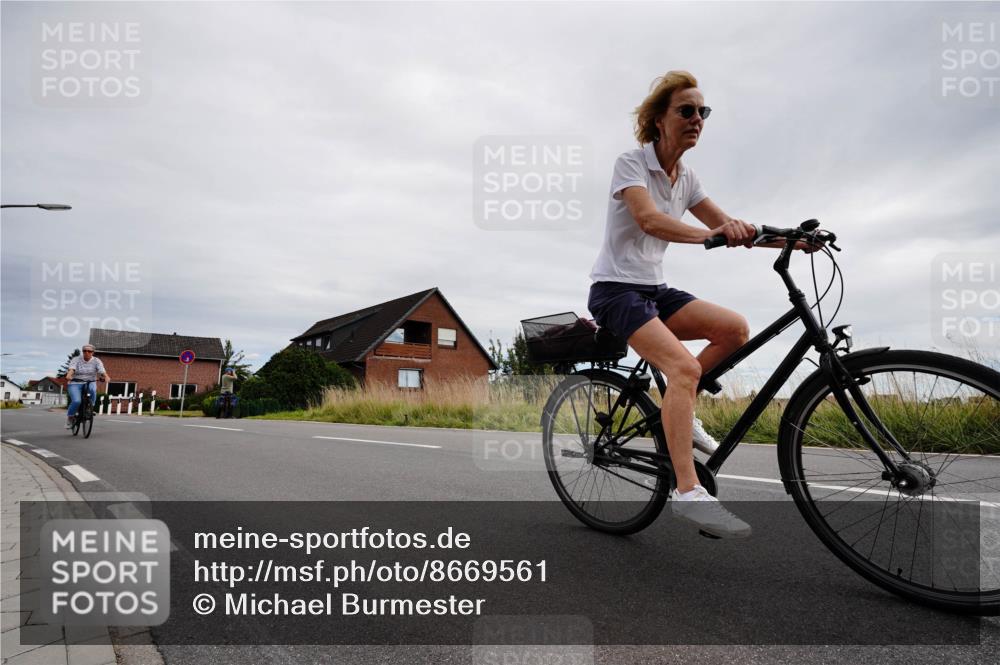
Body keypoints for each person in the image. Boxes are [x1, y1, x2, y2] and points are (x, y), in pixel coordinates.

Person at [588, 71, 816, 538]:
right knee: (684, 370)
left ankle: (680, 402)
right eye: (686, 111)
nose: (697, 119)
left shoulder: (687, 177)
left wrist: (793, 240)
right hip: (615, 290)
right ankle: (688, 494)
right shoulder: (631, 164)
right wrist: (708, 235)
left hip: (654, 289)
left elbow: (730, 225)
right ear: (658, 119)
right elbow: (649, 219)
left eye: (703, 112)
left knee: (733, 329)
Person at [65, 345, 109, 428]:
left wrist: (106, 376)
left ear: (93, 352)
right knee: (76, 401)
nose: (87, 353)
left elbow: (101, 370)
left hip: (90, 381)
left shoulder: (96, 361)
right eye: (84, 351)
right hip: (75, 382)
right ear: (82, 351)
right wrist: (69, 375)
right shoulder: (76, 359)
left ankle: (89, 408)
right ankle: (70, 417)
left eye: (89, 351)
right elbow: (72, 369)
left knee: (92, 390)